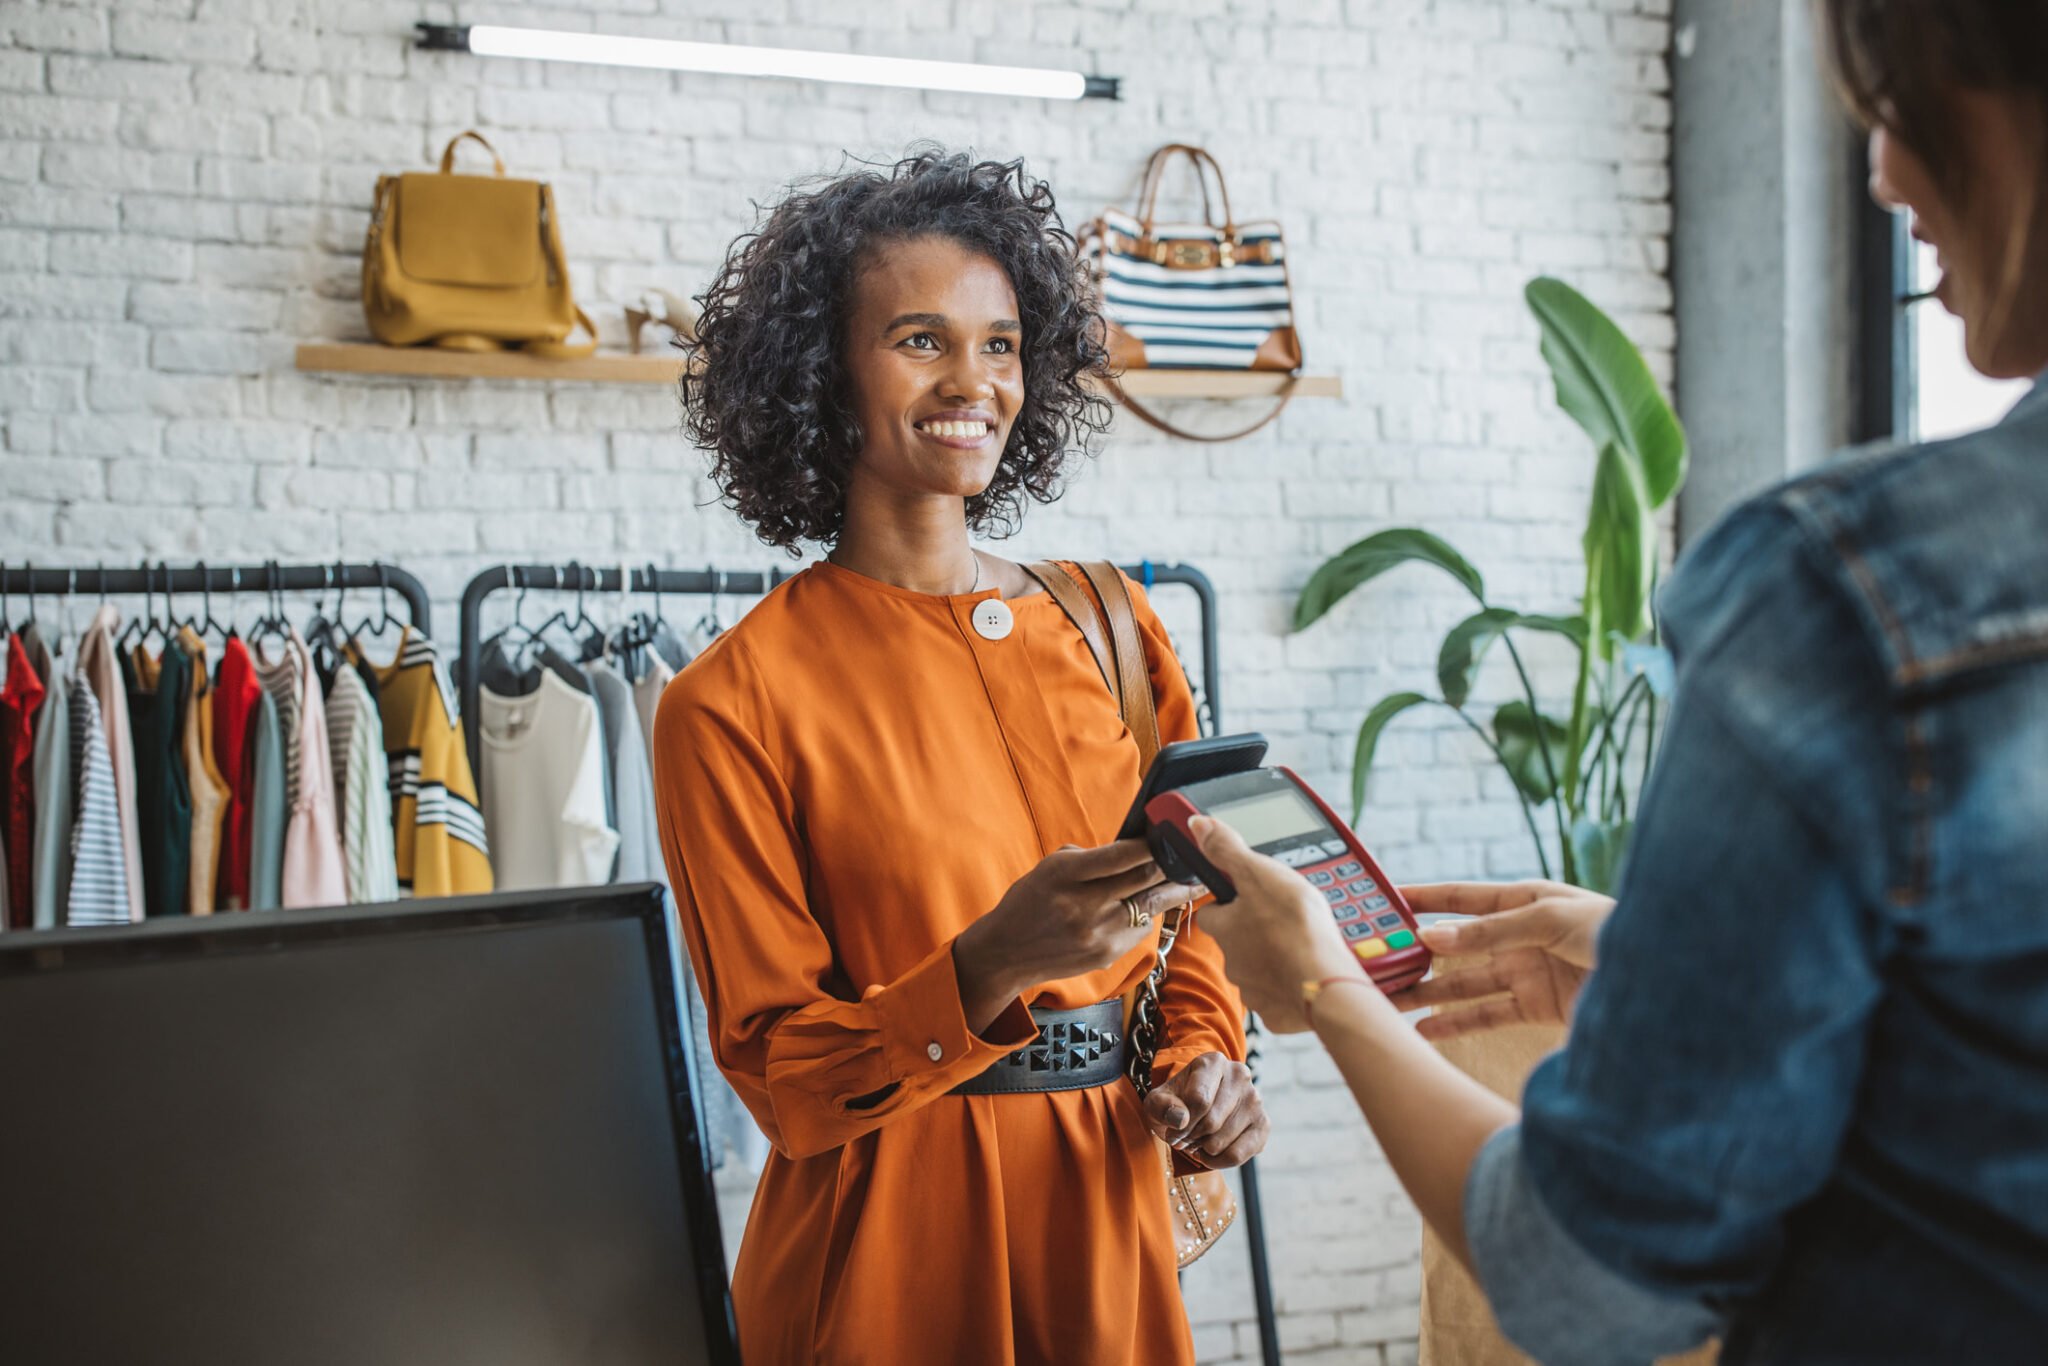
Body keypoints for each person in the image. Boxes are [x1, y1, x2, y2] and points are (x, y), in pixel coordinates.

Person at [1191, 4, 2048, 1362]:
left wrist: (1328, 989)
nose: (1884, 173)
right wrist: (1675, 960)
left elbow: (1592, 1282)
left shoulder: (1851, 590)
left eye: (1901, 105)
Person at [651, 150, 1266, 1365]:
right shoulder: (727, 701)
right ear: (824, 371)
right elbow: (781, 1074)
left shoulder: (1110, 625)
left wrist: (1204, 1061)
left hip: (1104, 1210)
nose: (970, 381)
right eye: (920, 339)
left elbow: (1193, 914)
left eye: (998, 343)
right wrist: (986, 964)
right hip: (885, 1237)